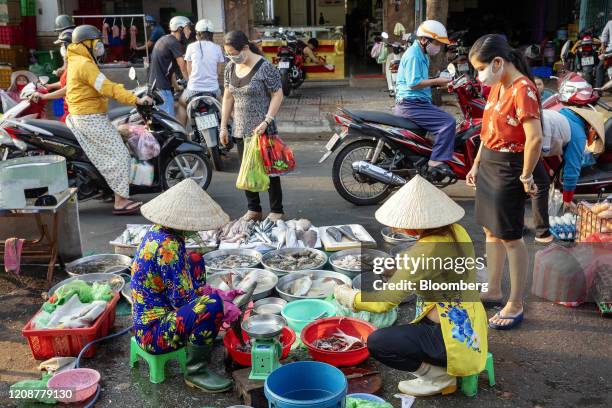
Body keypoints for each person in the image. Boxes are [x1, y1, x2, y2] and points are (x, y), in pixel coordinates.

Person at [334, 176, 488, 397]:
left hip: (451, 336)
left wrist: (346, 295)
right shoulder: (454, 230)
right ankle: (438, 368)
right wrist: (398, 268)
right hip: (472, 320)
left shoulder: (426, 250)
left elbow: (383, 303)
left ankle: (439, 378)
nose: (396, 227)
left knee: (379, 342)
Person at [132, 178, 241, 392]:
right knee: (211, 306)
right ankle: (195, 371)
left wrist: (209, 292)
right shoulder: (169, 246)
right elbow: (182, 301)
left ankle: (202, 334)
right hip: (152, 335)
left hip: (157, 316)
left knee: (195, 260)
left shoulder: (158, 231)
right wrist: (220, 301)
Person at [467, 34, 545, 329]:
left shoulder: (522, 88)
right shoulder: (498, 86)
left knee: (510, 237)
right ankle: (494, 288)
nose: (479, 75)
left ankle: (515, 302)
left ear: (498, 62)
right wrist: (476, 163)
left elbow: (534, 138)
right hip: (488, 163)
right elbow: (487, 130)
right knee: (490, 230)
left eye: (480, 68)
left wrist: (525, 175)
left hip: (509, 168)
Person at [65, 25, 152, 215]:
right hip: (89, 118)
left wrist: (126, 92)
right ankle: (120, 201)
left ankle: (109, 191)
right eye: (96, 43)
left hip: (86, 115)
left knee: (117, 141)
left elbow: (104, 86)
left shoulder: (77, 60)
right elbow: (106, 87)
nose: (99, 47)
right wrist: (135, 99)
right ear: (86, 44)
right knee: (119, 154)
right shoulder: (84, 64)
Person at [220, 31, 285, 221]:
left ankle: (277, 210)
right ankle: (254, 209)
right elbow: (227, 96)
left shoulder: (265, 67)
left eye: (233, 52)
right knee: (246, 170)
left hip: (263, 129)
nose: (231, 57)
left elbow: (278, 94)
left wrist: (267, 120)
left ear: (246, 48)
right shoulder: (230, 68)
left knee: (270, 171)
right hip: (240, 129)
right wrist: (224, 126)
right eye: (228, 54)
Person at [394, 20, 456, 181]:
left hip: (415, 103)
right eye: (436, 42)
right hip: (411, 105)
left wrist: (439, 83)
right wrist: (437, 81)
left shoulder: (421, 54)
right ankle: (435, 163)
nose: (438, 47)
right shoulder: (414, 55)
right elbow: (414, 84)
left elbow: (420, 81)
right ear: (424, 40)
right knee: (448, 123)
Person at [176, 19, 225, 126]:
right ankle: (231, 126)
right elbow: (218, 71)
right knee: (226, 106)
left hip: (193, 90)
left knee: (181, 104)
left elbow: (189, 70)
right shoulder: (217, 48)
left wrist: (191, 81)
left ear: (197, 33)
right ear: (212, 34)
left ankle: (181, 133)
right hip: (213, 90)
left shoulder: (191, 47)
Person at [148, 16, 191, 116]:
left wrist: (176, 86)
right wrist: (190, 83)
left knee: (164, 121)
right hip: (162, 89)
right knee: (168, 120)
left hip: (156, 87)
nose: (189, 31)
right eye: (187, 27)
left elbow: (169, 70)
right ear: (180, 28)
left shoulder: (164, 39)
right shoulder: (174, 43)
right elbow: (183, 66)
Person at [31, 29, 73, 122]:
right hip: (69, 108)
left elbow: (69, 88)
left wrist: (44, 96)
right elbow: (65, 82)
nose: (61, 48)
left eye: (62, 45)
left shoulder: (77, 64)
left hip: (74, 112)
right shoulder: (71, 61)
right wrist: (49, 86)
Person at [596, 15, 612, 88]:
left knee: (600, 67)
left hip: (610, 51)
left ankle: (598, 89)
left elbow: (604, 35)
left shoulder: (610, 23)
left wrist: (602, 45)